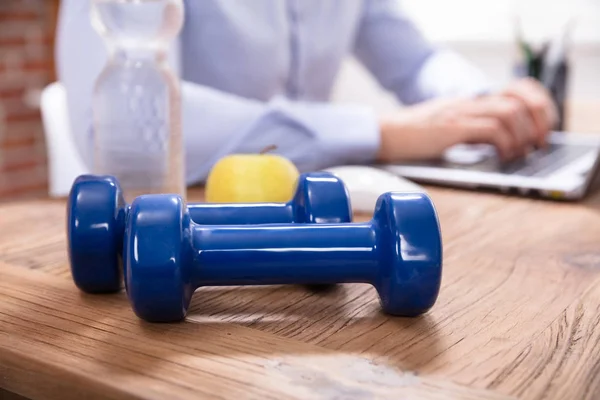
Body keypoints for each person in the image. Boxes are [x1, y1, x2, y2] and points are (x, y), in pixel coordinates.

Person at [56, 0, 558, 185]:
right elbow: (118, 119)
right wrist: (379, 132)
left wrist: (491, 100)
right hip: (176, 226)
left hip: (314, 212)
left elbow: (416, 60)